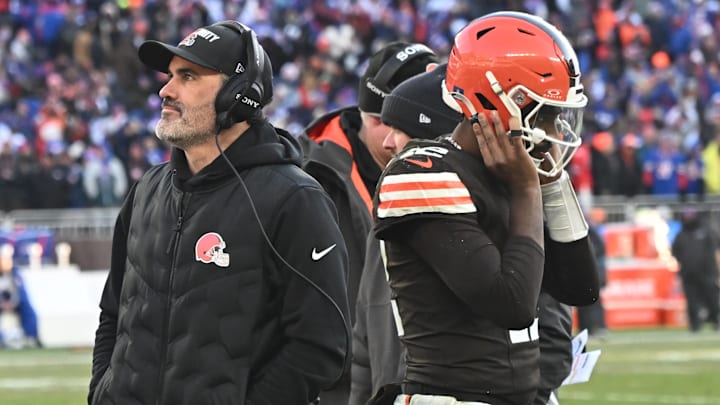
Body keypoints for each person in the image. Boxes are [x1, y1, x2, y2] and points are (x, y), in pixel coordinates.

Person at [88, 21, 350, 405]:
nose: (166, 90)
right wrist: (102, 394)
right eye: (170, 75)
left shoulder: (296, 199)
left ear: (238, 95)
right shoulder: (146, 191)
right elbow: (113, 313)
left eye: (188, 76)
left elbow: (319, 344)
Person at [371, 11, 599, 405]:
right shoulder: (421, 172)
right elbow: (510, 304)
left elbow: (581, 287)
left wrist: (553, 184)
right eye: (546, 113)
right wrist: (528, 190)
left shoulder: (509, 169)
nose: (554, 130)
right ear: (499, 100)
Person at [299, 41, 439, 404]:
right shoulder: (307, 176)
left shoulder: (450, 171)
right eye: (377, 120)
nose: (388, 138)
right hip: (334, 385)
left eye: (396, 123)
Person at [351, 64, 462, 405]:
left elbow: (544, 342)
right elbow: (363, 344)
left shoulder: (500, 209)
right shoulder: (389, 214)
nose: (387, 142)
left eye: (399, 129)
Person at [671, 208, 720, 332]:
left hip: (707, 272)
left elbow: (715, 250)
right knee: (691, 300)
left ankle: (715, 320)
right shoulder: (680, 235)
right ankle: (695, 325)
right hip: (689, 273)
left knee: (711, 298)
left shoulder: (706, 232)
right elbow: (675, 252)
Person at [0, 244, 41, 349]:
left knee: (28, 309)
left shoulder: (15, 274)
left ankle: (31, 337)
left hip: (13, 304)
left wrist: (12, 304)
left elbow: (20, 294)